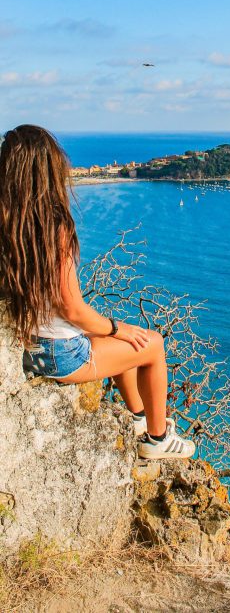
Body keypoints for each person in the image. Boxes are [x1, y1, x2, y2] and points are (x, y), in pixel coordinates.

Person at [0, 124, 195, 461]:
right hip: (60, 353)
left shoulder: (9, 221)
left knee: (125, 345)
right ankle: (157, 438)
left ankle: (137, 418)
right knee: (152, 345)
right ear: (48, 171)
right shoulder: (52, 227)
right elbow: (72, 308)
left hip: (30, 345)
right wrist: (117, 326)